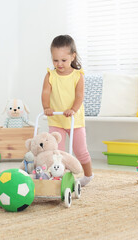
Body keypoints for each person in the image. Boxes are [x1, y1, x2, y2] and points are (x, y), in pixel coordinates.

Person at [41, 35, 93, 187]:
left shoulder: (78, 75)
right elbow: (45, 93)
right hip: (56, 119)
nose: (59, 64)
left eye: (63, 60)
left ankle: (88, 175)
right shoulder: (50, 75)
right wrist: (46, 108)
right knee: (57, 152)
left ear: (72, 56)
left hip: (74, 119)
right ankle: (60, 179)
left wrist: (73, 109)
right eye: (55, 60)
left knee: (80, 150)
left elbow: (79, 96)